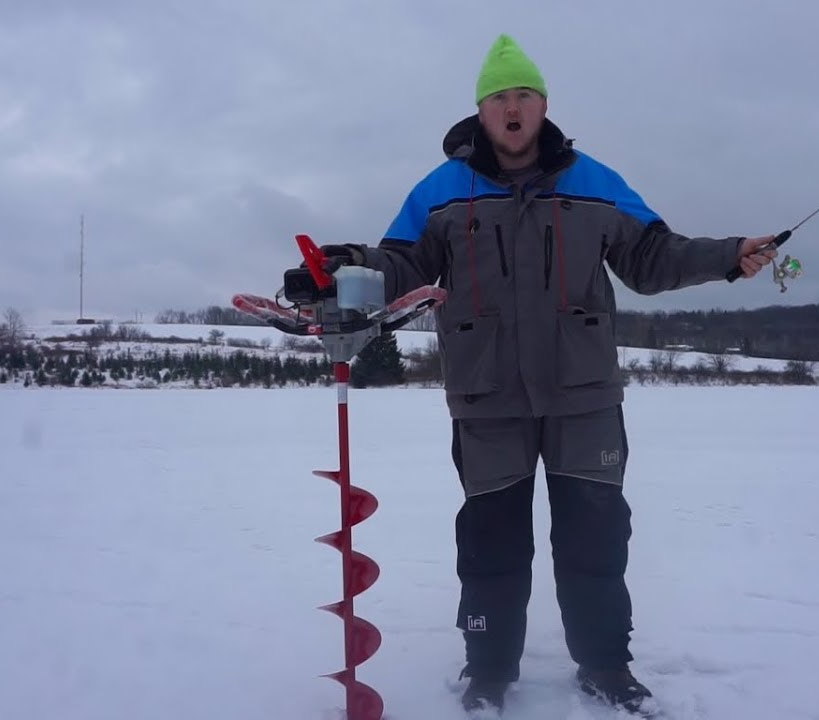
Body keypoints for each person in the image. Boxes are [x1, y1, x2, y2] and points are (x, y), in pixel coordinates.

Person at [315, 34, 778, 716]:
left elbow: (654, 257)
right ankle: (488, 673)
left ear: (542, 107)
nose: (512, 107)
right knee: (491, 546)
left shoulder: (594, 183)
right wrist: (341, 267)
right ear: (481, 109)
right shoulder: (441, 192)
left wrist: (729, 256)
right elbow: (400, 267)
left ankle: (607, 669)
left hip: (583, 396)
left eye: (523, 96)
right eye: (499, 96)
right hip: (487, 398)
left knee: (596, 542)